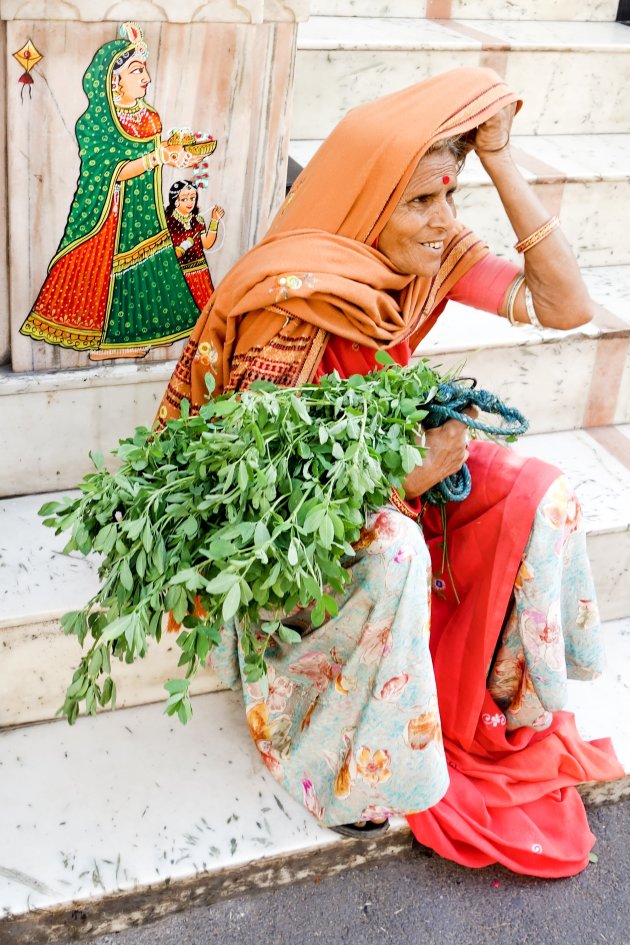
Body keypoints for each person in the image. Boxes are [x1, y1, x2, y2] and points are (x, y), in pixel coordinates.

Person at [157, 68, 623, 877]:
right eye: (421, 201)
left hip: (386, 461)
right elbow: (261, 493)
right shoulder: (290, 299)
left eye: (451, 193)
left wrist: (502, 163)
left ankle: (500, 700)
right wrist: (402, 482)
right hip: (305, 520)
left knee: (539, 489)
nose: (444, 220)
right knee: (397, 547)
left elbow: (566, 307)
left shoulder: (423, 259)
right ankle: (353, 765)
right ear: (372, 205)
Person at [20, 22, 204, 361]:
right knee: (110, 273)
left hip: (145, 209)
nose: (146, 78)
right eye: (137, 71)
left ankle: (155, 333)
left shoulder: (149, 116)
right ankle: (108, 343)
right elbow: (111, 171)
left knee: (150, 266)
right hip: (109, 214)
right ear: (113, 80)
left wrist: (175, 154)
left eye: (145, 69)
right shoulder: (94, 123)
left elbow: (153, 154)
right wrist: (157, 156)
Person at [165, 180, 225, 311]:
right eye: (184, 199)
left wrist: (214, 221)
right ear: (176, 200)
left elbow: (207, 244)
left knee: (204, 310)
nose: (190, 202)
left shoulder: (198, 221)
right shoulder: (168, 222)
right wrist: (182, 248)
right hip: (179, 274)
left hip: (200, 272)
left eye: (193, 198)